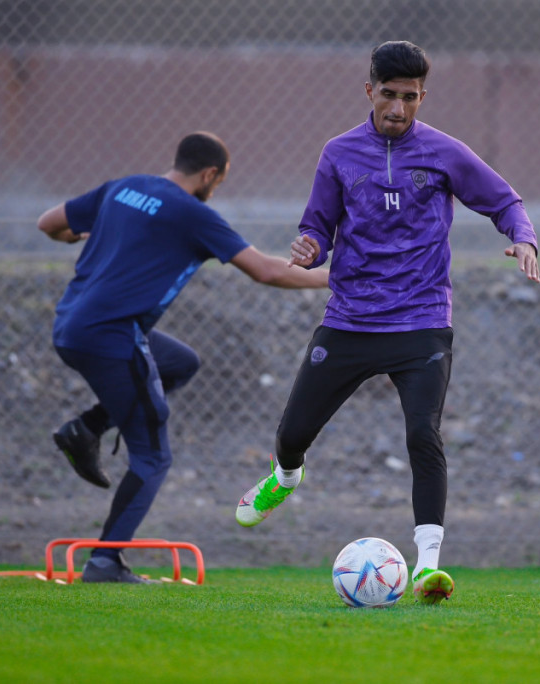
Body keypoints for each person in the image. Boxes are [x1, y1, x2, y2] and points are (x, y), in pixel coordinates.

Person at [234, 41, 540, 604]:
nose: (399, 109)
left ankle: (428, 569)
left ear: (423, 97)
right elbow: (317, 227)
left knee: (423, 434)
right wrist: (309, 247)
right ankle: (285, 477)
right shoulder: (339, 153)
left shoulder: (444, 152)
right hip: (351, 318)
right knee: (293, 434)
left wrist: (523, 238)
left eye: (411, 98)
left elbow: (505, 201)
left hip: (421, 321)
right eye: (389, 95)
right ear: (369, 89)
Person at [39, 131, 329, 583]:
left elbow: (49, 224)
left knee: (178, 362)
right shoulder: (192, 214)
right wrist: (338, 277)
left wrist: (92, 235)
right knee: (152, 456)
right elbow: (265, 270)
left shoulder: (123, 187)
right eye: (220, 182)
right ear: (210, 175)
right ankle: (104, 561)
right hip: (112, 337)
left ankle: (87, 428)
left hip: (70, 325)